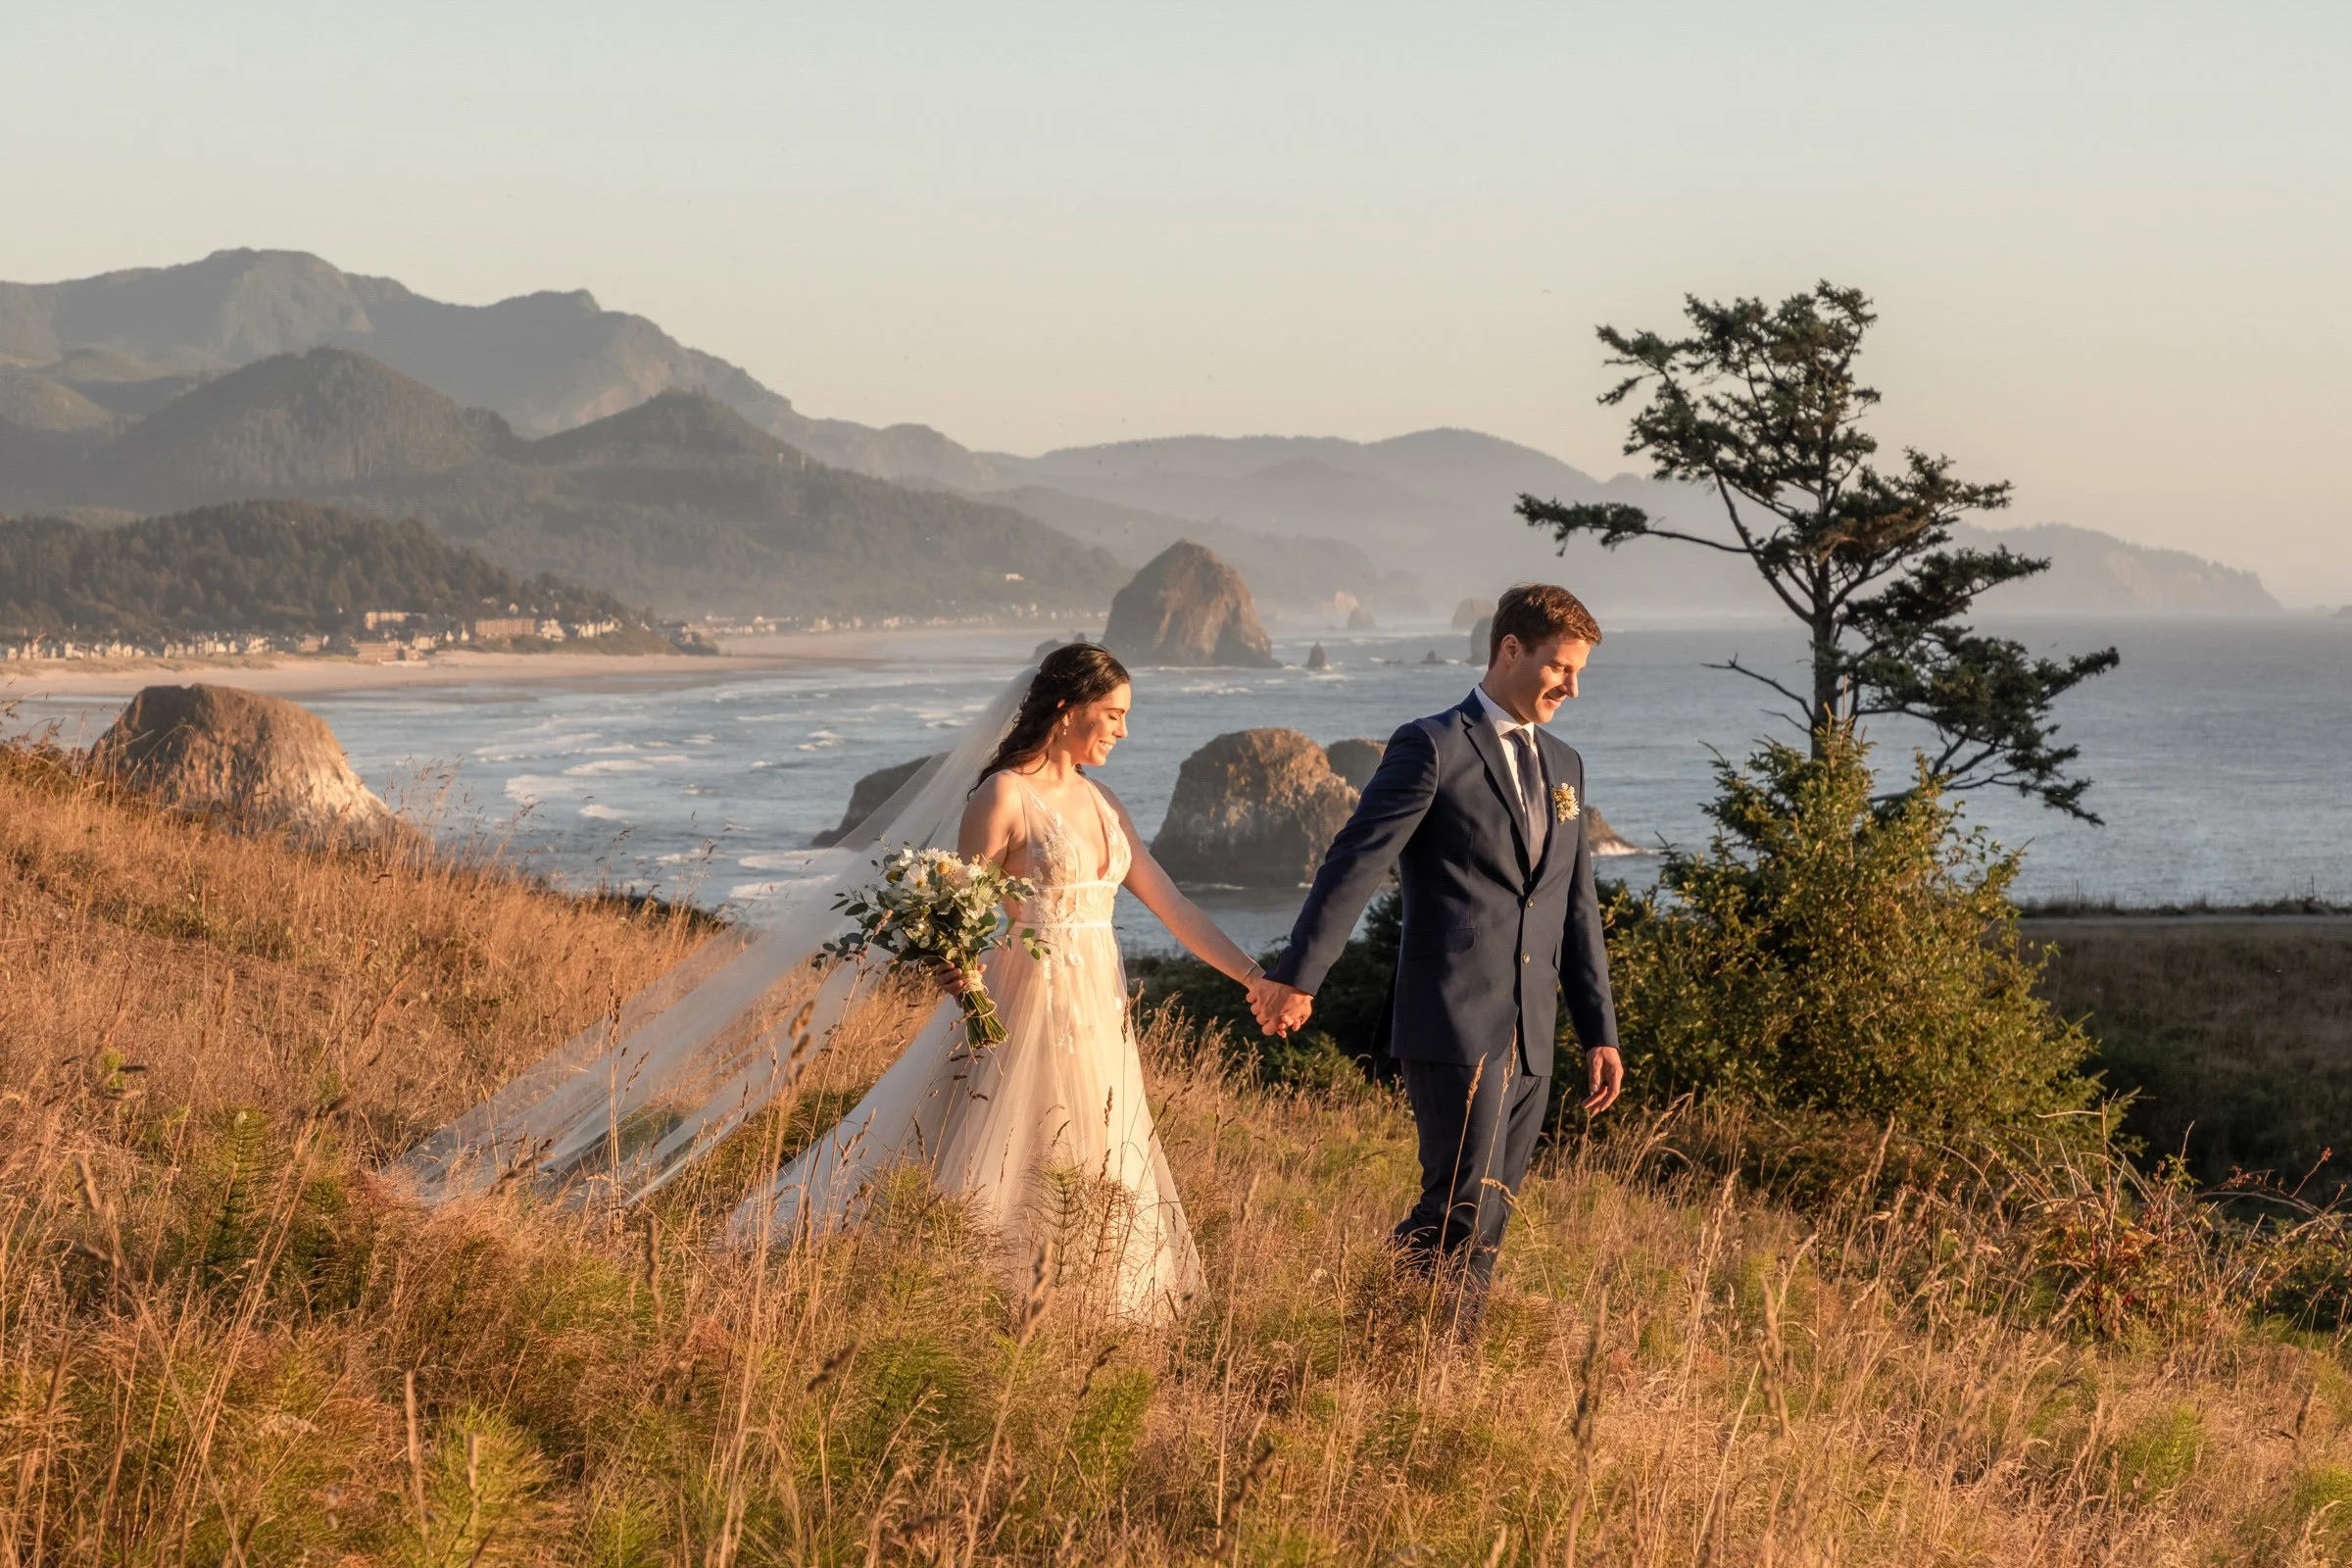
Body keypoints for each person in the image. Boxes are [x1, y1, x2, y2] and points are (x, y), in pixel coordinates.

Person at [728, 643, 1288, 1319]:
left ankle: (1092, 1301)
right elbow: (951, 921)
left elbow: (1175, 907)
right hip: (1021, 1001)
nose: (1123, 730)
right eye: (1111, 714)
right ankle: (962, 1292)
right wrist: (971, 999)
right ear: (1066, 709)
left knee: (1098, 1147)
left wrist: (1257, 978)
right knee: (999, 1144)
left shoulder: (1104, 800)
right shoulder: (1003, 796)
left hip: (1099, 1011)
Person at [1251, 583, 1624, 1331]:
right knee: (1456, 1197)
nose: (1572, 688)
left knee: (1493, 1213)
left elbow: (1574, 905)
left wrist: (1600, 1030)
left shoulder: (1566, 765)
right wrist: (1298, 975)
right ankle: (1369, 1327)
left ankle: (1445, 1364)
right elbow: (1353, 863)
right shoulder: (1432, 745)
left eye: (1580, 672)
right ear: (1510, 650)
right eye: (1560, 667)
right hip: (1453, 1016)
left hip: (1534, 1029)